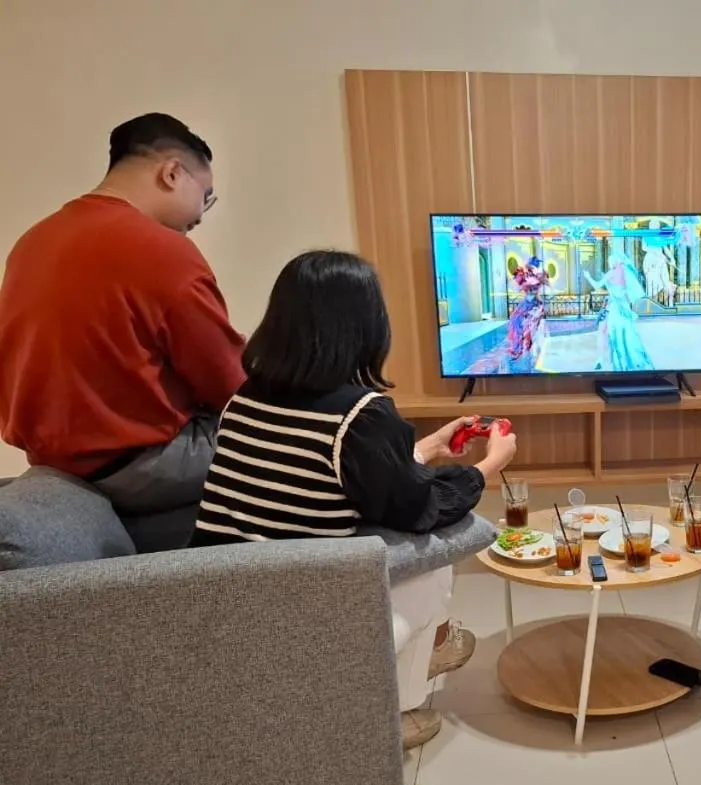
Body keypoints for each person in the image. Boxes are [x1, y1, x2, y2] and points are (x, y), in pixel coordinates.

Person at [189, 250, 518, 749]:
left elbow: (331, 471)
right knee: (436, 548)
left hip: (218, 594)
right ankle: (392, 716)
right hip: (298, 603)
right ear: (366, 327)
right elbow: (417, 509)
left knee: (420, 542)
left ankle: (430, 648)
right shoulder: (361, 415)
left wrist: (427, 447)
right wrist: (490, 465)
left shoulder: (246, 396)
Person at [0, 113, 243, 514]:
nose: (200, 216)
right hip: (140, 464)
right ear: (172, 173)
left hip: (58, 459)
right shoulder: (163, 251)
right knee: (316, 431)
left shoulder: (33, 242)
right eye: (205, 196)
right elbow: (230, 385)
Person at [584, 253, 655, 372]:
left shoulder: (611, 273)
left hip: (614, 308)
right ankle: (618, 361)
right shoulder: (626, 273)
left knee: (607, 332)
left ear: (615, 262)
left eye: (611, 261)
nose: (610, 263)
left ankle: (602, 360)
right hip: (625, 308)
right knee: (624, 334)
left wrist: (588, 277)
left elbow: (597, 285)